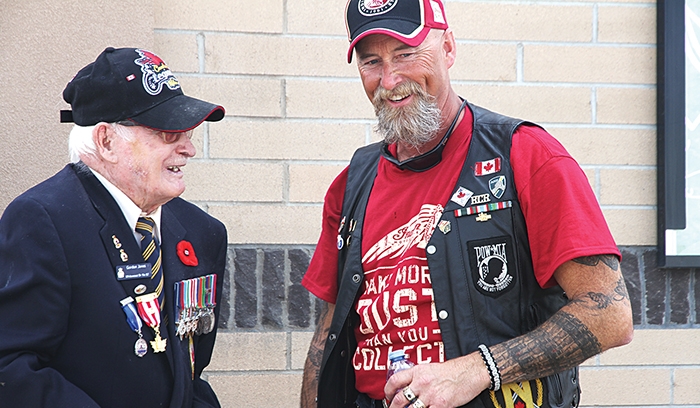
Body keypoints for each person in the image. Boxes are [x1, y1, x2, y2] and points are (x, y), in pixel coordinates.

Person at [300, 1, 634, 407]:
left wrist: (477, 370)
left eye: (406, 54)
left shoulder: (526, 156)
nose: (389, 80)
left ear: (449, 49)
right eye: (372, 62)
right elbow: (327, 334)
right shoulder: (353, 182)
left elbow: (610, 315)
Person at [0, 47, 228, 407]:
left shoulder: (202, 231)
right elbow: (11, 367)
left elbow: (187, 371)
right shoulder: (43, 219)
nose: (189, 149)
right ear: (106, 141)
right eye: (169, 133)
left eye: (188, 133)